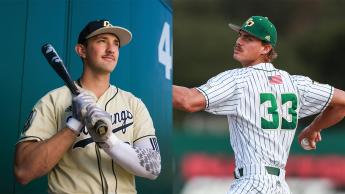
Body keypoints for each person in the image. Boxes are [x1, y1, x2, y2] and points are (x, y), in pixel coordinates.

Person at [173, 16, 345, 194]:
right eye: (240, 36)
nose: (239, 42)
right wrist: (314, 128)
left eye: (248, 39)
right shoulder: (295, 84)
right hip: (280, 187)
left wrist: (149, 80)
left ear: (266, 48)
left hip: (252, 183)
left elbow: (188, 101)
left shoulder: (239, 80)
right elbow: (342, 102)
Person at [14, 19, 161, 194]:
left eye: (116, 44)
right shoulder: (52, 101)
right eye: (102, 41)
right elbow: (23, 171)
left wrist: (108, 140)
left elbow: (153, 167)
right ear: (81, 50)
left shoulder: (133, 104)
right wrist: (73, 126)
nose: (111, 49)